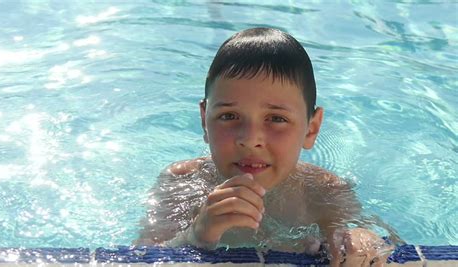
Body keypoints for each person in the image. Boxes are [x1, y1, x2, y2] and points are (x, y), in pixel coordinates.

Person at [135, 27, 397, 266]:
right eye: (229, 116)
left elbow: (375, 241)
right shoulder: (183, 181)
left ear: (311, 128)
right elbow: (140, 257)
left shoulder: (323, 191)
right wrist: (196, 235)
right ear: (205, 121)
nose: (250, 139)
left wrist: (360, 240)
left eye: (276, 119)